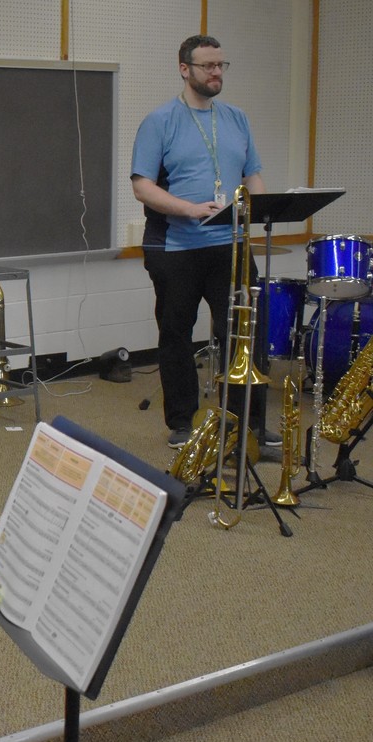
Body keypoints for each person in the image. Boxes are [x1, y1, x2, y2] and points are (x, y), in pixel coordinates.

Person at [131, 34, 280, 449]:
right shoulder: (160, 121)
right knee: (177, 333)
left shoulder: (236, 118)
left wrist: (258, 203)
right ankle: (182, 422)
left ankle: (247, 424)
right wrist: (189, 208)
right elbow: (142, 187)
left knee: (244, 333)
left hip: (229, 245)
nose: (216, 73)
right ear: (185, 69)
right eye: (208, 66)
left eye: (221, 66)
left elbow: (252, 173)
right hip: (176, 247)